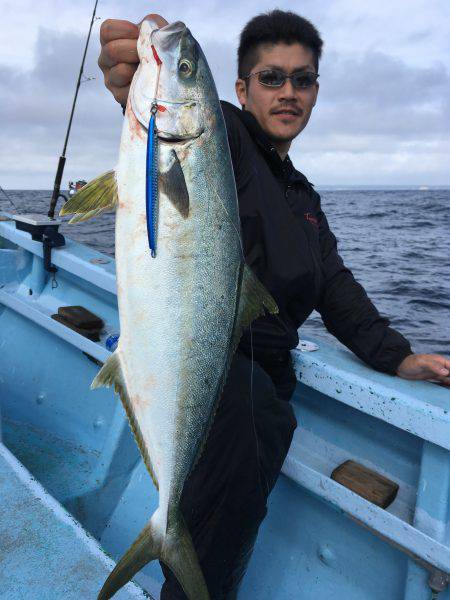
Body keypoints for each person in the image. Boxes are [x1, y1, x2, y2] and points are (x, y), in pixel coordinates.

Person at [98, 9, 450, 599]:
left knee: (251, 459)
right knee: (238, 461)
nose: (288, 92)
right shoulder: (224, 138)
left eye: (302, 79)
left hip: (266, 387)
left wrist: (399, 358)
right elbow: (180, 139)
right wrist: (135, 73)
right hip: (222, 378)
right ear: (239, 90)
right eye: (271, 78)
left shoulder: (305, 199)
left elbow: (335, 287)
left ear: (315, 91)